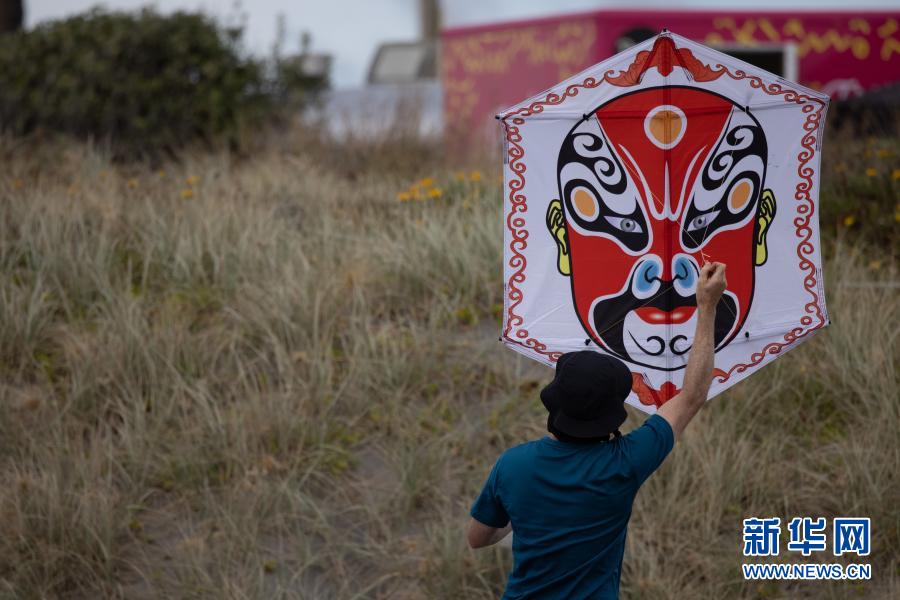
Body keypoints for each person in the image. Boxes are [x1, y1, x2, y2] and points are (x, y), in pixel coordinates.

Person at [467, 262, 728, 599]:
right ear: (612, 415)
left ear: (555, 402)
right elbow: (692, 397)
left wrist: (523, 512)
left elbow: (477, 539)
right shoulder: (627, 462)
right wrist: (707, 307)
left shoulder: (512, 466)